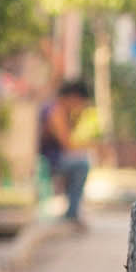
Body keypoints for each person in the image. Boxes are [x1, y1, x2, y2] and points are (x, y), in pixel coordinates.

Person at [38, 78, 93, 224]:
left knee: (81, 161)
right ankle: (72, 212)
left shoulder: (63, 112)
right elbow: (67, 144)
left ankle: (73, 210)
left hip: (55, 158)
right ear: (73, 97)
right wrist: (94, 146)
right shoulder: (55, 111)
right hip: (47, 161)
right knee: (82, 164)